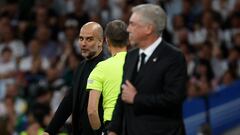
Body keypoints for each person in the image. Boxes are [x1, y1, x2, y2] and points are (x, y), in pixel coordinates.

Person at [108, 4, 187, 135]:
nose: (128, 29)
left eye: (132, 24)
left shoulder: (173, 57)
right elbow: (122, 95)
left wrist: (137, 98)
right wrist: (113, 129)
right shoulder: (130, 56)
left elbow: (174, 98)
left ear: (148, 29)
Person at [43, 22, 107, 135]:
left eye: (89, 39)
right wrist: (50, 131)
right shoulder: (81, 67)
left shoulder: (107, 66)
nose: (83, 44)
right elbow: (69, 100)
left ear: (100, 41)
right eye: (81, 39)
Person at [86, 20, 128, 134]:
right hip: (136, 124)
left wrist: (101, 132)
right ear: (128, 39)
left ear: (106, 40)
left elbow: (92, 111)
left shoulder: (100, 68)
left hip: (112, 126)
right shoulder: (139, 63)